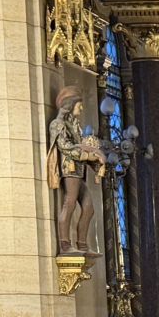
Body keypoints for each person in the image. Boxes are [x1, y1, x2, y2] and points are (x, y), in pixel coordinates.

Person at [46, 86, 104, 253]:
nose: (81, 108)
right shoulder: (57, 124)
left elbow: (85, 148)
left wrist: (97, 162)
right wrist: (88, 156)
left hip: (80, 171)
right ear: (70, 105)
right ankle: (65, 244)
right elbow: (66, 147)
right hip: (69, 169)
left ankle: (82, 244)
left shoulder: (76, 126)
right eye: (79, 104)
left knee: (89, 207)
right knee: (69, 203)